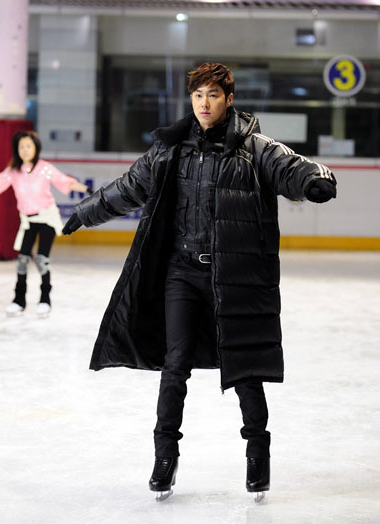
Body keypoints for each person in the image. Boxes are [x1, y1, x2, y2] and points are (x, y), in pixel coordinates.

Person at [62, 63, 337, 501]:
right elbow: (129, 187)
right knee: (175, 366)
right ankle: (164, 457)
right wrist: (84, 212)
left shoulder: (254, 148)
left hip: (233, 276)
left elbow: (292, 168)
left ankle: (257, 454)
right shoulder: (171, 148)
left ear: (229, 99)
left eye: (213, 95)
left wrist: (314, 181)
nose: (204, 103)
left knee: (245, 370)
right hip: (182, 273)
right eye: (198, 95)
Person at [0, 130, 90, 318]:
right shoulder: (13, 172)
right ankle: (19, 300)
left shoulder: (45, 168)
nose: (25, 150)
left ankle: (45, 299)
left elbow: (65, 182)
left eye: (28, 146)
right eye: (21, 147)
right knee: (22, 261)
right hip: (28, 221)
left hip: (47, 218)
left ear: (36, 148)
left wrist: (88, 189)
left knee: (41, 260)